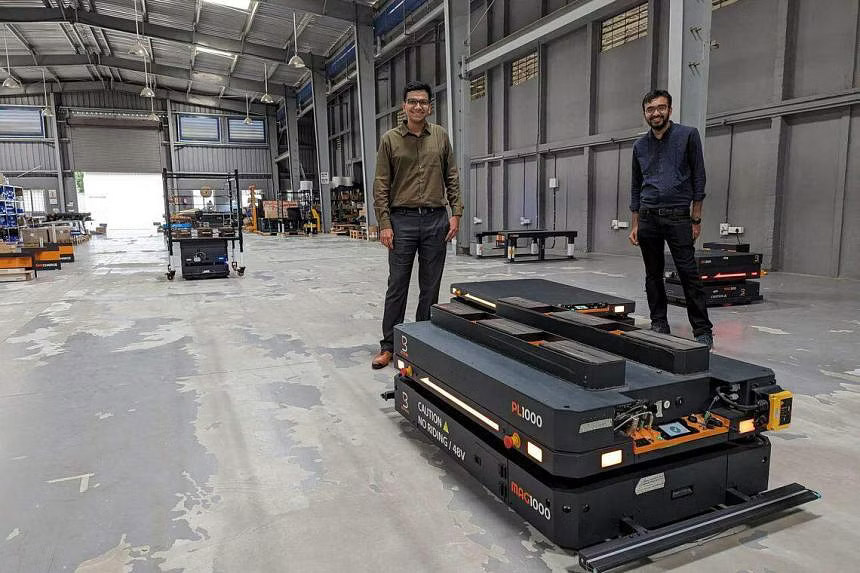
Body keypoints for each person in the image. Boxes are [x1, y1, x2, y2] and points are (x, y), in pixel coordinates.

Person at [371, 80, 463, 369]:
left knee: (430, 286)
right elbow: (381, 184)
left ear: (430, 107)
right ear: (404, 106)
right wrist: (384, 222)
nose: (418, 106)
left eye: (423, 102)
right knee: (397, 284)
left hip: (436, 220)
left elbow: (452, 177)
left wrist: (456, 212)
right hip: (402, 222)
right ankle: (390, 345)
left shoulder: (440, 137)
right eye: (413, 101)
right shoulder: (390, 140)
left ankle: (423, 342)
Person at [628, 89, 714, 348]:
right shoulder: (639, 146)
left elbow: (699, 176)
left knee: (688, 273)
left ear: (670, 110)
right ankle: (659, 323)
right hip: (648, 218)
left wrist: (695, 218)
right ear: (645, 113)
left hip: (678, 217)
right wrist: (635, 223)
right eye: (650, 109)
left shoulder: (687, 136)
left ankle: (702, 330)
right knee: (652, 275)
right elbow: (636, 185)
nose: (656, 113)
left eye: (660, 107)